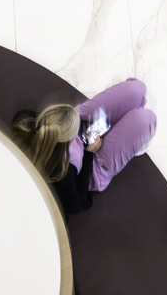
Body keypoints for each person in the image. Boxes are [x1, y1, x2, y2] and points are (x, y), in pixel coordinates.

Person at [10, 79, 157, 216]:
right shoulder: (66, 173)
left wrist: (79, 122)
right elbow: (77, 204)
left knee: (136, 89)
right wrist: (88, 154)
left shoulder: (29, 122)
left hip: (80, 131)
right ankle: (132, 137)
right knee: (145, 119)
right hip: (93, 165)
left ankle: (117, 124)